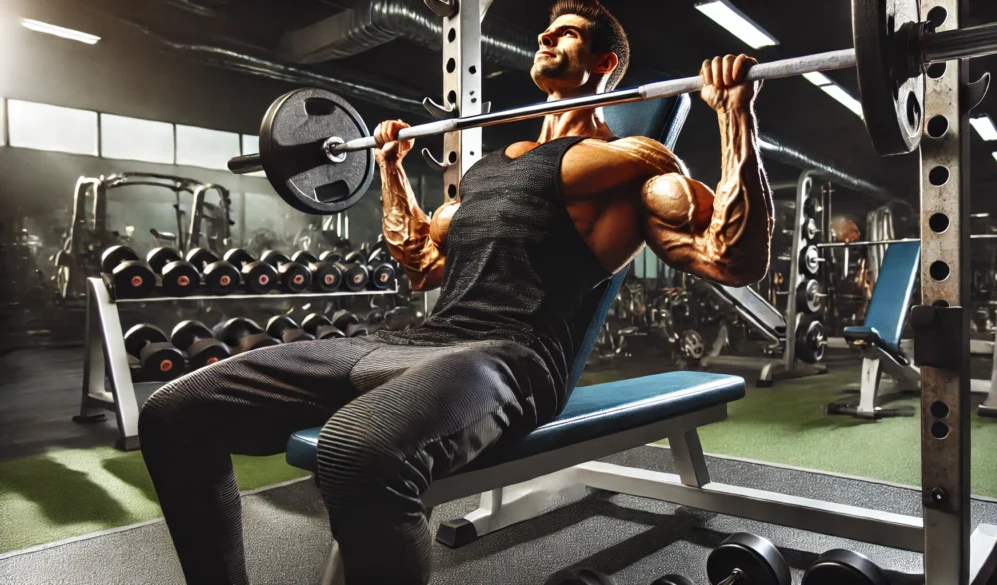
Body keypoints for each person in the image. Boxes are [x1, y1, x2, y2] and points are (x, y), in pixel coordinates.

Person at [137, 1, 774, 583]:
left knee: (358, 451)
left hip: (509, 357)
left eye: (569, 33)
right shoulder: (488, 170)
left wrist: (734, 118)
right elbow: (420, 264)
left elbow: (729, 258)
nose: (547, 36)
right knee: (173, 414)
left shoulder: (631, 165)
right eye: (547, 29)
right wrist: (388, 168)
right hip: (411, 342)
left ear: (604, 64)